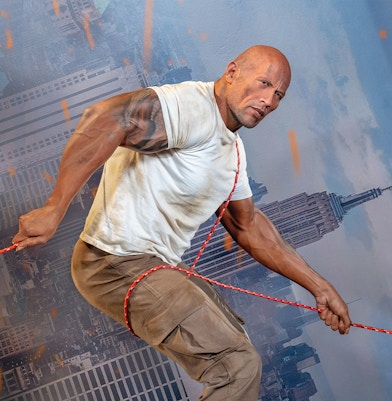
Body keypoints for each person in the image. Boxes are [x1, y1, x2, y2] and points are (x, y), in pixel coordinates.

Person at [13, 45, 351, 400]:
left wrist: (320, 287)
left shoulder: (232, 153)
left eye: (279, 95)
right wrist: (54, 207)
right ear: (232, 72)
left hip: (152, 267)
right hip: (114, 262)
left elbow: (249, 226)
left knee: (238, 341)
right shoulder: (192, 107)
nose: (269, 100)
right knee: (237, 366)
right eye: (264, 83)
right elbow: (108, 117)